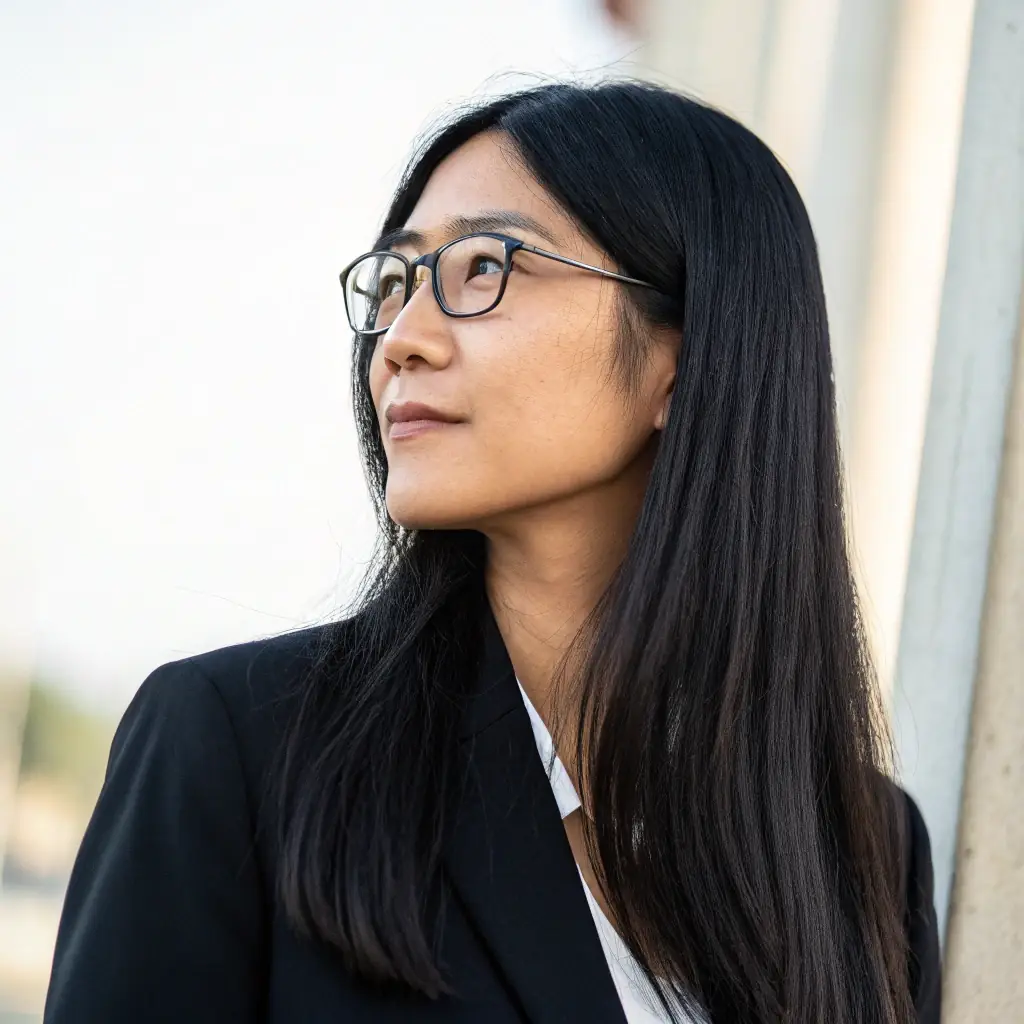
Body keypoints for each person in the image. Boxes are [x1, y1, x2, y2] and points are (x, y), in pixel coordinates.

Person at [43, 80, 941, 1024]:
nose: (402, 340)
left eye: (484, 268)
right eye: (395, 282)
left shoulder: (863, 850)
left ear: (684, 361)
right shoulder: (239, 750)